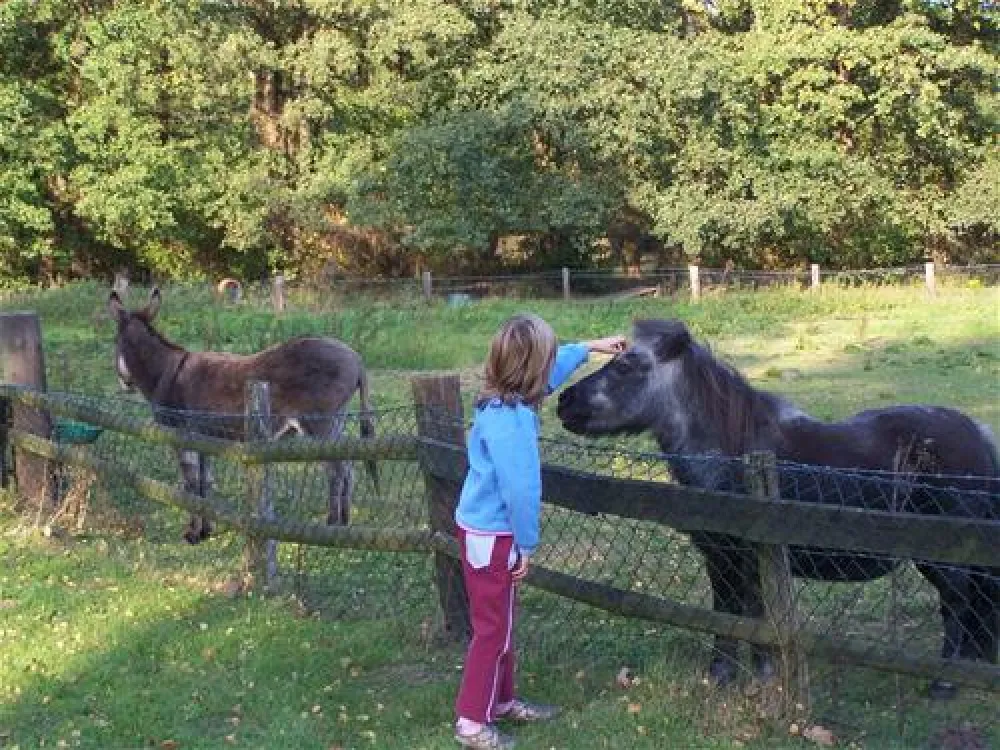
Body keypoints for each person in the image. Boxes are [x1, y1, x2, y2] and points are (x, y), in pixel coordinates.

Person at [453, 314, 627, 749]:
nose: (552, 370)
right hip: (494, 538)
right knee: (491, 631)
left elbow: (548, 371)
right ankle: (472, 723)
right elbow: (521, 491)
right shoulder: (511, 424)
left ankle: (502, 701)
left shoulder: (500, 402)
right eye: (549, 361)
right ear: (533, 373)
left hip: (483, 533)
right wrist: (525, 544)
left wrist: (589, 347)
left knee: (501, 626)